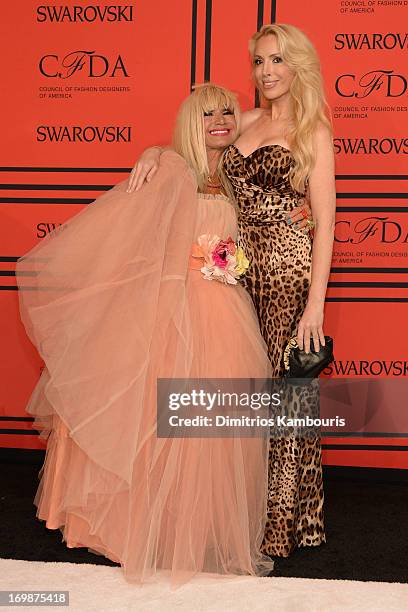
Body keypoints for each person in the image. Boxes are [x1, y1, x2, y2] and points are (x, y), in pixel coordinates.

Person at [16, 84, 276, 587]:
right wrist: (155, 151)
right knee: (159, 425)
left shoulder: (234, 174)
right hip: (179, 307)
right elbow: (142, 236)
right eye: (207, 113)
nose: (221, 120)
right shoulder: (173, 168)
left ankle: (187, 526)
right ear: (188, 121)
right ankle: (141, 527)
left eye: (227, 111)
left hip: (224, 305)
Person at [127, 24, 336, 558]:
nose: (266, 72)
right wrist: (153, 151)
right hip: (237, 276)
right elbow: (195, 143)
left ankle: (280, 525)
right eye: (260, 62)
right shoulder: (242, 120)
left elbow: (328, 224)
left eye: (277, 61)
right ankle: (241, 512)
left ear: (297, 67)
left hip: (289, 272)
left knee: (286, 395)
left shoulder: (313, 130)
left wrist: (316, 307)